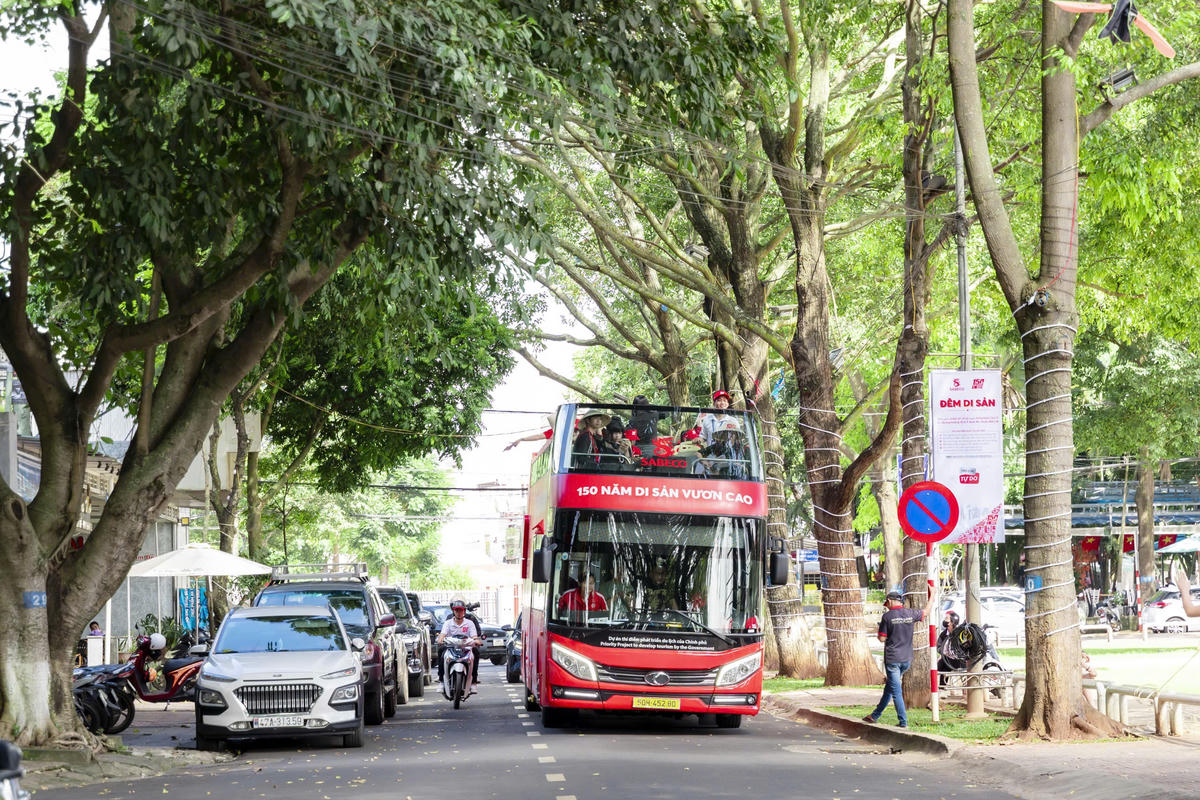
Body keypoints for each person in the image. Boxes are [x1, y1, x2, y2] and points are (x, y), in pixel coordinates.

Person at [863, 589, 935, 728]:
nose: (887, 606)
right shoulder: (910, 613)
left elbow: (882, 638)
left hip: (893, 660)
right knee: (890, 688)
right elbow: (925, 612)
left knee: (896, 692)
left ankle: (903, 722)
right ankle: (875, 715)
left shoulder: (887, 617)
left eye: (887, 603)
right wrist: (932, 596)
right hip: (906, 660)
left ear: (889, 601)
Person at [436, 598, 483, 694]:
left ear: (464, 611)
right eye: (456, 610)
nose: (459, 612)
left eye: (461, 610)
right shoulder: (448, 623)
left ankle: (473, 682)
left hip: (466, 648)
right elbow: (442, 634)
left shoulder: (470, 623)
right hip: (450, 647)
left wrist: (477, 641)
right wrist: (440, 639)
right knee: (441, 651)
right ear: (453, 611)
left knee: (476, 653)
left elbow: (474, 637)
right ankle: (441, 681)